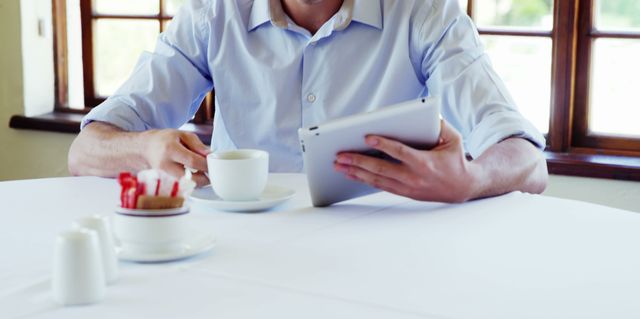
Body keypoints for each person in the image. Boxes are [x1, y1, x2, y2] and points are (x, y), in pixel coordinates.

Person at [68, 0, 548, 203]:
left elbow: (529, 161)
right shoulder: (214, 12)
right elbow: (85, 151)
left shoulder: (423, 12)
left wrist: (471, 179)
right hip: (239, 259)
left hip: (388, 256)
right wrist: (148, 147)